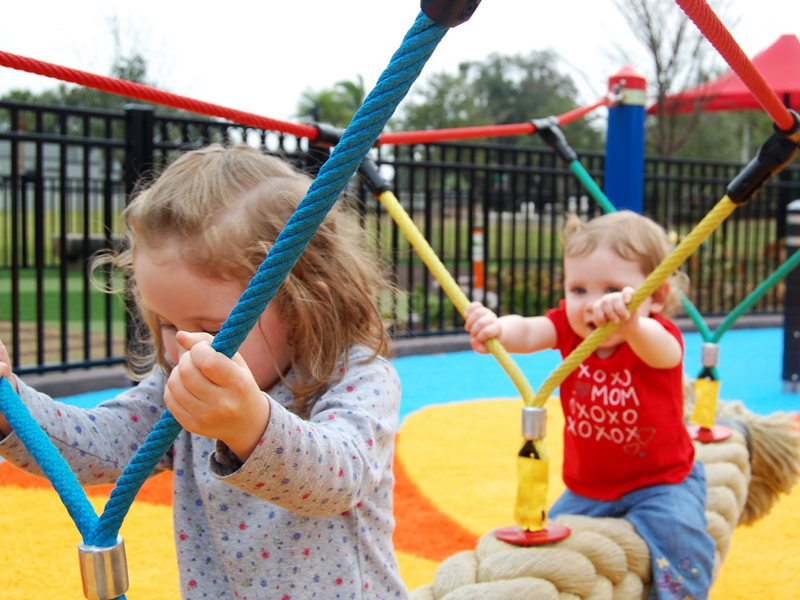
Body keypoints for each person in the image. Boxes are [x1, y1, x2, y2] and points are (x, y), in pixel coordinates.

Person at [0, 144, 407, 600]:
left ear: (304, 302)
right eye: (166, 322)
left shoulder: (357, 376)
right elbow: (102, 445)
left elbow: (340, 479)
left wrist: (249, 426)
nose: (181, 349)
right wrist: (10, 408)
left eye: (213, 329)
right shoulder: (183, 384)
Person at [464, 210, 715, 600]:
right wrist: (497, 329)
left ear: (656, 297)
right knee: (555, 555)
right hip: (589, 489)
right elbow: (528, 330)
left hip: (661, 484)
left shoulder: (653, 335)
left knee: (682, 543)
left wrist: (632, 325)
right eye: (578, 290)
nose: (592, 304)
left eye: (612, 289)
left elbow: (666, 353)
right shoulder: (569, 328)